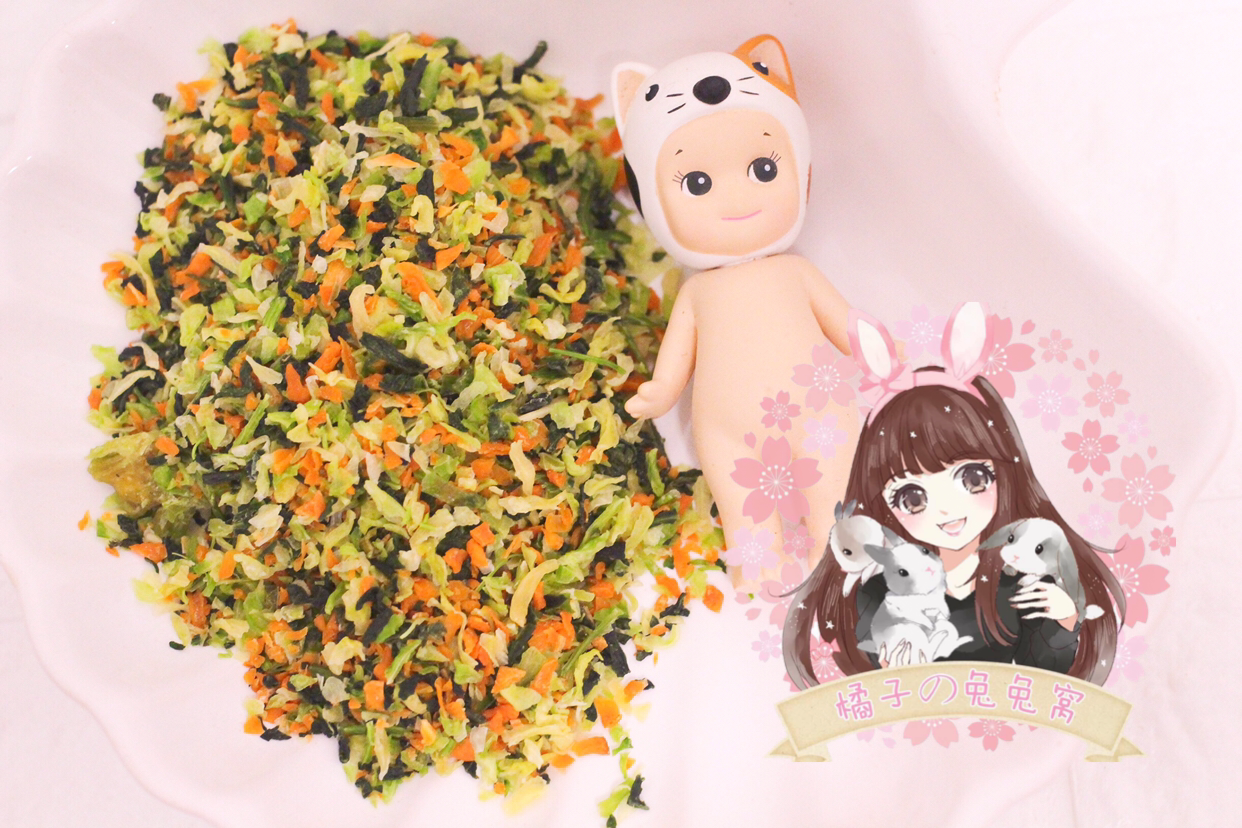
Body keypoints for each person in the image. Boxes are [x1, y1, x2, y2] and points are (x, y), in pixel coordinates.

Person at [783, 303, 1126, 686]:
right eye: (913, 498)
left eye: (973, 478)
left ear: (1005, 472)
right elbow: (868, 664)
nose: (947, 509)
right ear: (884, 504)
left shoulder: (1020, 580)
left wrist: (1064, 620)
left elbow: (1045, 677)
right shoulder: (883, 588)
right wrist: (890, 650)